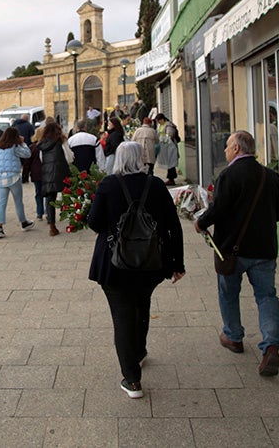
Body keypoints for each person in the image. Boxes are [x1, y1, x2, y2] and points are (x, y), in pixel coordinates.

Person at [86, 141, 185, 398]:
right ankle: (139, 351)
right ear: (141, 158)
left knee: (122, 317)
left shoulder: (108, 185)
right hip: (151, 262)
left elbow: (94, 222)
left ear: (118, 159)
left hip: (113, 264)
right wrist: (177, 263)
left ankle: (131, 380)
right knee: (142, 305)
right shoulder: (156, 185)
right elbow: (173, 224)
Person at [194, 130, 279, 377]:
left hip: (232, 250)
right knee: (267, 296)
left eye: (227, 146)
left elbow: (219, 209)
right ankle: (270, 345)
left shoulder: (228, 175)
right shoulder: (269, 176)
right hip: (264, 249)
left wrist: (201, 222)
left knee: (228, 293)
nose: (225, 151)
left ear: (237, 148)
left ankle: (234, 336)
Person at [0, 127, 34, 239]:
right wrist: (23, 143)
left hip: (0, 177)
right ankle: (23, 222)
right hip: (13, 176)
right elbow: (27, 154)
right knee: (18, 201)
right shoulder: (14, 146)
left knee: (1, 202)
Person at [38, 121, 71, 236]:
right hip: (61, 170)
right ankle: (70, 218)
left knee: (50, 198)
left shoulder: (42, 143)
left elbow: (41, 158)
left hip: (48, 172)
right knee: (67, 194)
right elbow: (69, 156)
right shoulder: (61, 140)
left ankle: (52, 226)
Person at [154, 113, 180, 185]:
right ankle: (171, 178)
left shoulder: (169, 125)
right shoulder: (161, 125)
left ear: (162, 119)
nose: (158, 123)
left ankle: (171, 179)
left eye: (159, 121)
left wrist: (163, 139)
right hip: (164, 147)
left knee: (171, 162)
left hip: (170, 147)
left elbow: (170, 135)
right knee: (169, 163)